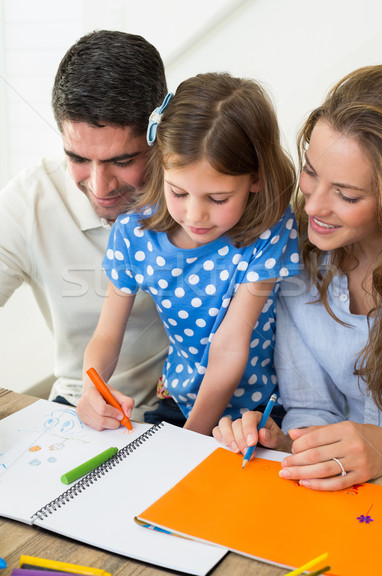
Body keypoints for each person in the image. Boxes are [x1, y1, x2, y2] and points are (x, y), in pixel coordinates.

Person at [80, 71, 300, 435]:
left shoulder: (271, 228)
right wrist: (92, 388)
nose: (194, 215)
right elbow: (106, 336)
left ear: (256, 179)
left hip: (258, 412)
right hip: (177, 402)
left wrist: (190, 440)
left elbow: (231, 346)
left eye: (217, 199)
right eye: (178, 192)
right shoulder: (133, 233)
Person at [213, 64, 382, 489]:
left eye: (347, 195)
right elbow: (312, 408)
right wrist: (287, 443)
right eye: (311, 173)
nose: (312, 207)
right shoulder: (299, 265)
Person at [0, 30, 169, 420]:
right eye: (77, 157)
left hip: (189, 410)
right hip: (82, 406)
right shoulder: (31, 200)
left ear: (159, 134)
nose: (99, 186)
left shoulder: (206, 195)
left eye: (123, 161)